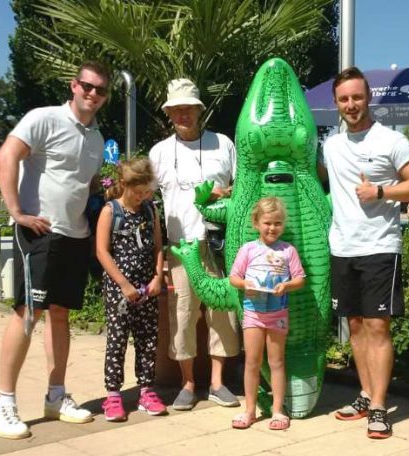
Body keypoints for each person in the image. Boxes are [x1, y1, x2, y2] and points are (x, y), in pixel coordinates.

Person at [0, 61, 110, 439]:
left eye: (100, 90)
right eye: (87, 86)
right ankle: (4, 403)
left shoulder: (96, 137)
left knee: (60, 315)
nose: (92, 94)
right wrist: (16, 213)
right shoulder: (43, 118)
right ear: (74, 85)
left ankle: (56, 396)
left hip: (75, 236)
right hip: (40, 232)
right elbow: (6, 156)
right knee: (28, 313)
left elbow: (84, 183)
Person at [321, 67, 409, 439]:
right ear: (336, 104)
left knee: (377, 326)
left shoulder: (390, 141)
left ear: (368, 98)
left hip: (380, 247)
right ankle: (366, 394)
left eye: (356, 97)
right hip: (342, 246)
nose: (351, 105)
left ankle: (381, 407)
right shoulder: (332, 145)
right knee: (354, 325)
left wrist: (382, 192)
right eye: (343, 99)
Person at [149, 78, 241, 411]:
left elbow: (242, 190)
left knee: (222, 312)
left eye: (188, 108)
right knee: (183, 314)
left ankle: (218, 383)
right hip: (179, 246)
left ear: (199, 110)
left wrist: (224, 194)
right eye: (176, 109)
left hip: (218, 242)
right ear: (169, 114)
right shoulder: (158, 152)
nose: (183, 114)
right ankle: (187, 382)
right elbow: (149, 202)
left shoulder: (223, 144)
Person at [96, 157, 166, 421]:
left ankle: (146, 391)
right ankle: (113, 395)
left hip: (148, 287)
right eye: (138, 192)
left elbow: (159, 245)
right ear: (124, 185)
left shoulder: (150, 210)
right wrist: (123, 285)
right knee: (117, 340)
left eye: (147, 192)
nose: (143, 197)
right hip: (119, 291)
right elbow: (102, 251)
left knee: (148, 340)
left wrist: (158, 277)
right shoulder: (110, 211)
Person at [228, 197, 306, 430]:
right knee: (252, 361)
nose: (272, 228)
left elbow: (300, 279)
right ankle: (249, 410)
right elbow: (234, 277)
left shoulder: (288, 251)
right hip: (253, 313)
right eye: (267, 223)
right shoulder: (248, 249)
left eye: (278, 223)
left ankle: (278, 410)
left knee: (277, 361)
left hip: (278, 313)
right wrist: (245, 285)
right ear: (256, 223)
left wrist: (287, 286)